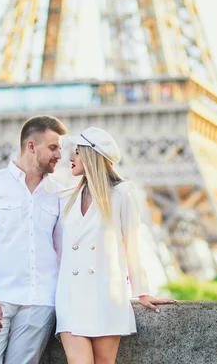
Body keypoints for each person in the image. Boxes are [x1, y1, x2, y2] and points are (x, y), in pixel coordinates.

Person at [55, 127, 175, 364]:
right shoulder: (65, 198)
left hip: (107, 297)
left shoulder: (122, 193)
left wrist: (141, 291)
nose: (71, 157)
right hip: (70, 298)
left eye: (78, 152)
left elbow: (132, 243)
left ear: (92, 155)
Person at [0, 115, 67, 364]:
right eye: (53, 147)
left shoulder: (60, 194)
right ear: (31, 146)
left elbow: (64, 251)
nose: (59, 155)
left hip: (40, 303)